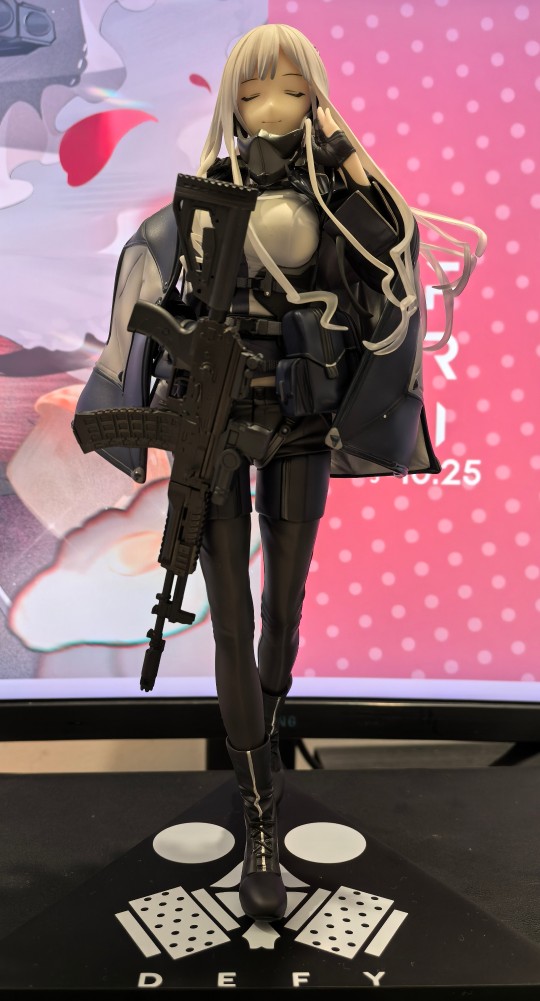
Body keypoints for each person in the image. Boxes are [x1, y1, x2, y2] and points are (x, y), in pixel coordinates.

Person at [74, 23, 486, 923]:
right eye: (255, 91)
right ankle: (260, 805)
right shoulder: (200, 202)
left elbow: (393, 264)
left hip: (299, 425)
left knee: (283, 617)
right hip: (215, 427)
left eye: (293, 91)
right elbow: (147, 292)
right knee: (230, 616)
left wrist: (344, 162)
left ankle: (262, 745)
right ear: (232, 99)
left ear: (316, 99)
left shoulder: (341, 200)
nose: (270, 109)